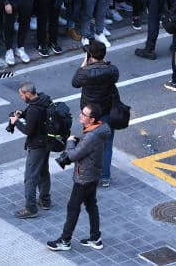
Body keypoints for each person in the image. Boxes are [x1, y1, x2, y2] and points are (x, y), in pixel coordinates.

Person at [45, 102, 111, 252]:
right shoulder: (99, 129)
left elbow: (73, 155)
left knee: (73, 208)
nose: (80, 115)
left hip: (84, 178)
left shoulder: (91, 136)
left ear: (92, 119)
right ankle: (95, 238)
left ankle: (65, 240)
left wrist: (70, 143)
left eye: (84, 114)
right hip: (93, 174)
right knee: (91, 205)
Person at [71, 41, 119, 187]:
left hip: (90, 114)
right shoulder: (112, 70)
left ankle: (91, 175)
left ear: (90, 55)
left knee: (88, 144)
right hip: (107, 111)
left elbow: (75, 82)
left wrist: (84, 63)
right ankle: (105, 177)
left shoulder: (85, 72)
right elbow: (114, 77)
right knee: (107, 145)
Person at [10, 81, 53, 218]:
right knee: (43, 172)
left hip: (37, 146)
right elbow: (37, 118)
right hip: (47, 142)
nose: (21, 97)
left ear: (28, 93)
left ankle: (31, 209)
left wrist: (16, 122)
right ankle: (45, 201)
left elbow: (28, 130)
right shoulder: (44, 99)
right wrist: (23, 114)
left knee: (30, 177)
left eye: (22, 95)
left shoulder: (34, 109)